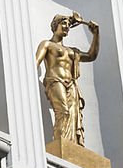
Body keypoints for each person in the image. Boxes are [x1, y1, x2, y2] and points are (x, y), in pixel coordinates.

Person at [35, 12, 99, 146]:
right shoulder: (47, 44)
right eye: (63, 23)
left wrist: (95, 34)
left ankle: (71, 145)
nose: (67, 26)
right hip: (55, 80)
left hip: (71, 85)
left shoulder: (72, 51)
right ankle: (61, 143)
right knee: (63, 111)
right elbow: (35, 62)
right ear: (55, 25)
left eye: (69, 25)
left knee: (72, 115)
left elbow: (91, 55)